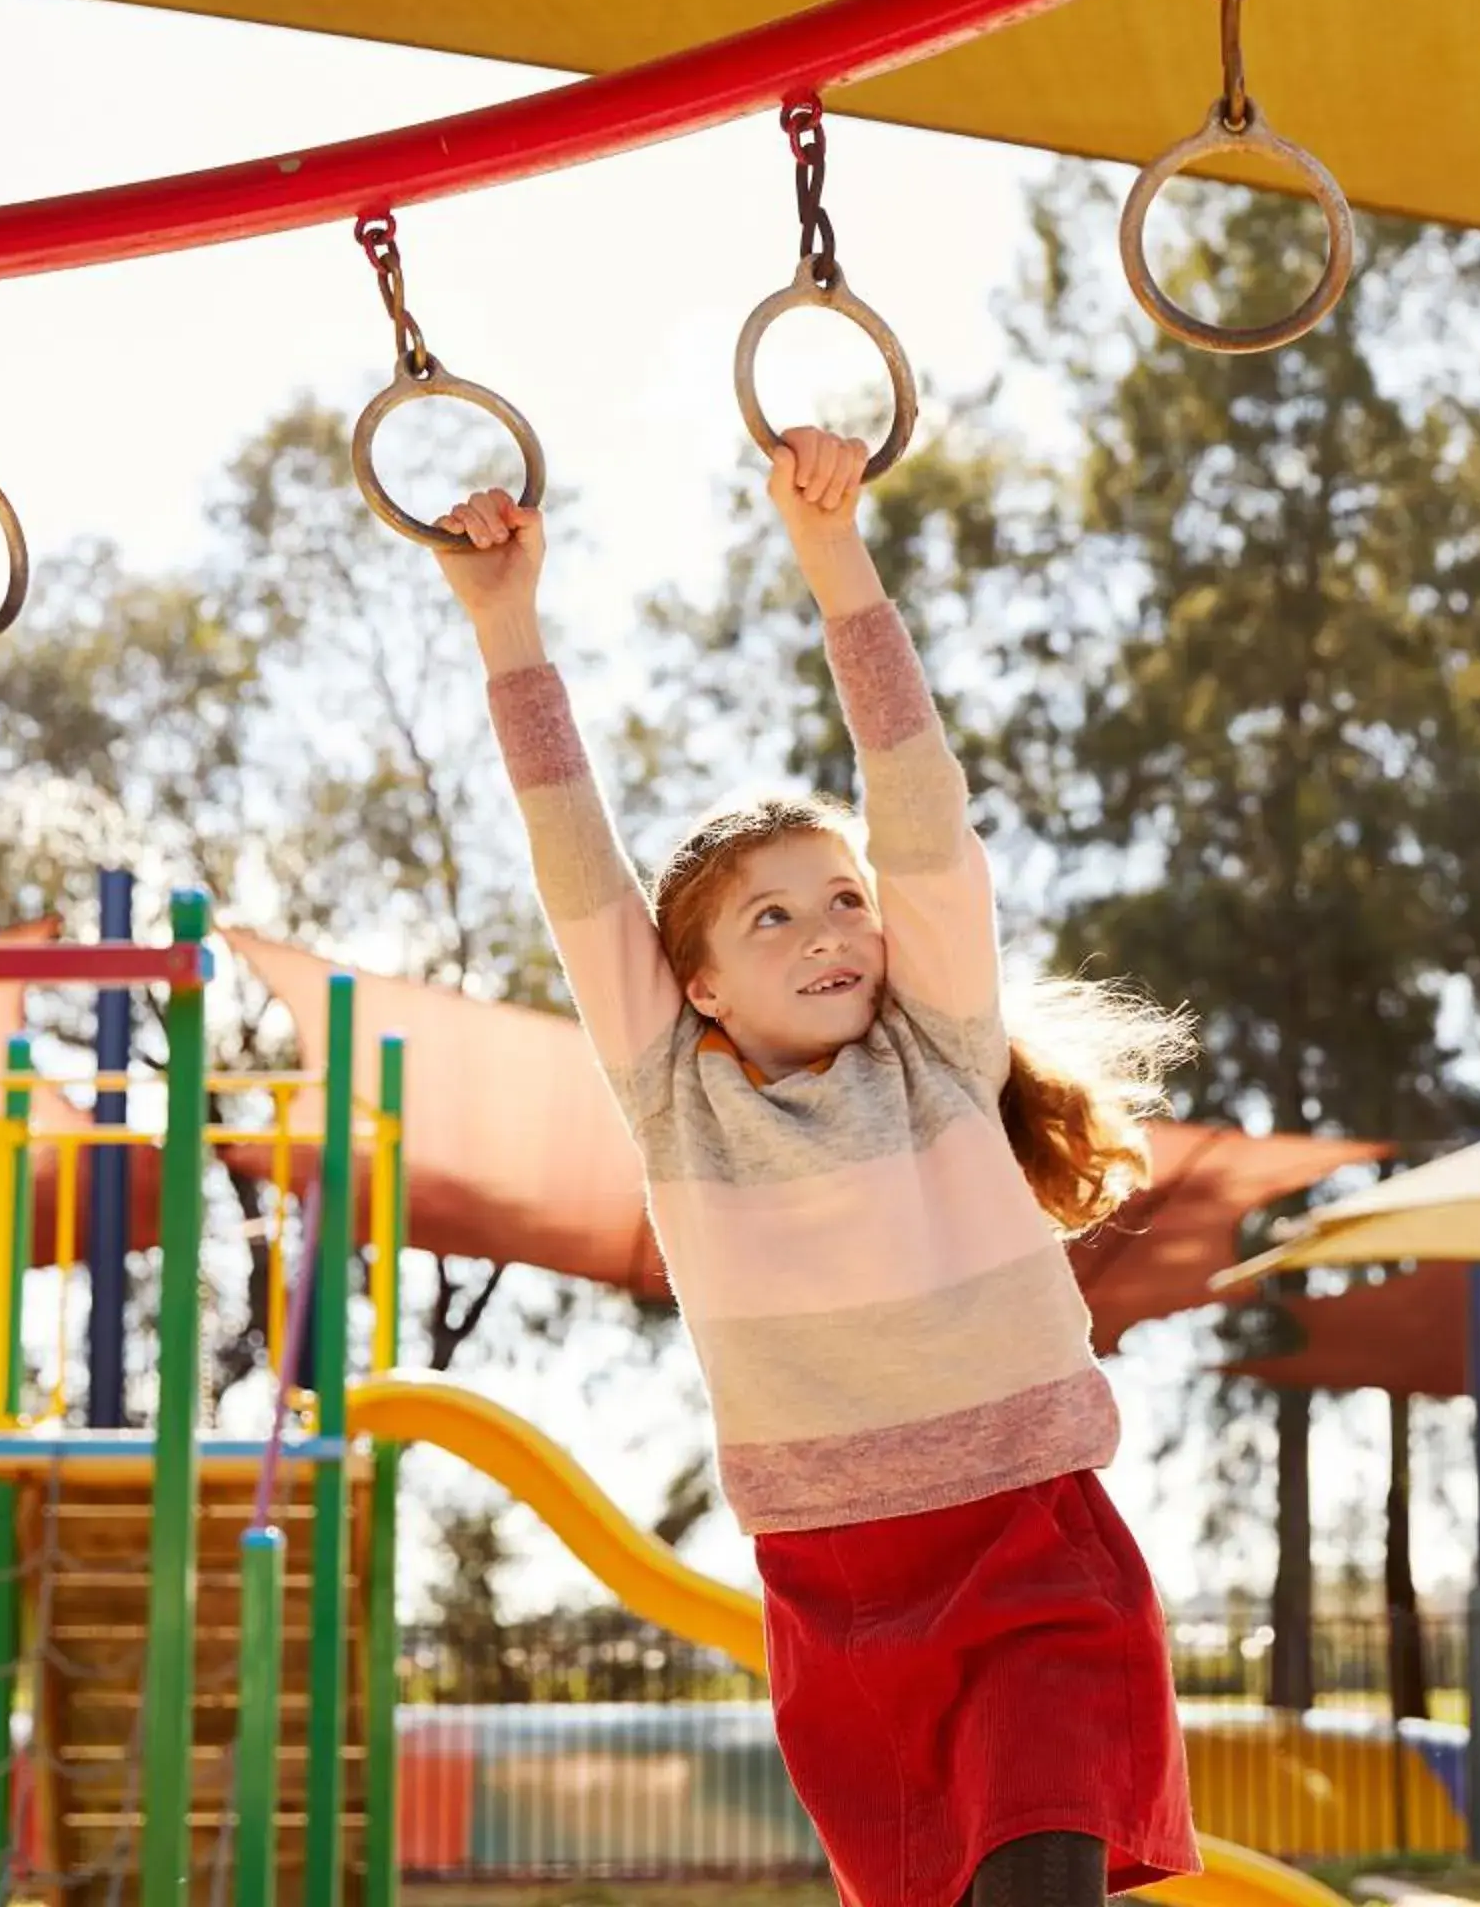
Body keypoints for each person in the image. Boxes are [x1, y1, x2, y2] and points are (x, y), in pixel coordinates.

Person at [430, 426, 1201, 1907]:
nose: (830, 931)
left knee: (1040, 1871)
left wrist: (833, 557)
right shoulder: (679, 1100)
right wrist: (505, 628)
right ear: (698, 986)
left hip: (1033, 1543)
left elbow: (919, 804)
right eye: (770, 921)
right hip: (840, 1588)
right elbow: (576, 868)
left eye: (841, 900)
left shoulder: (941, 1053)